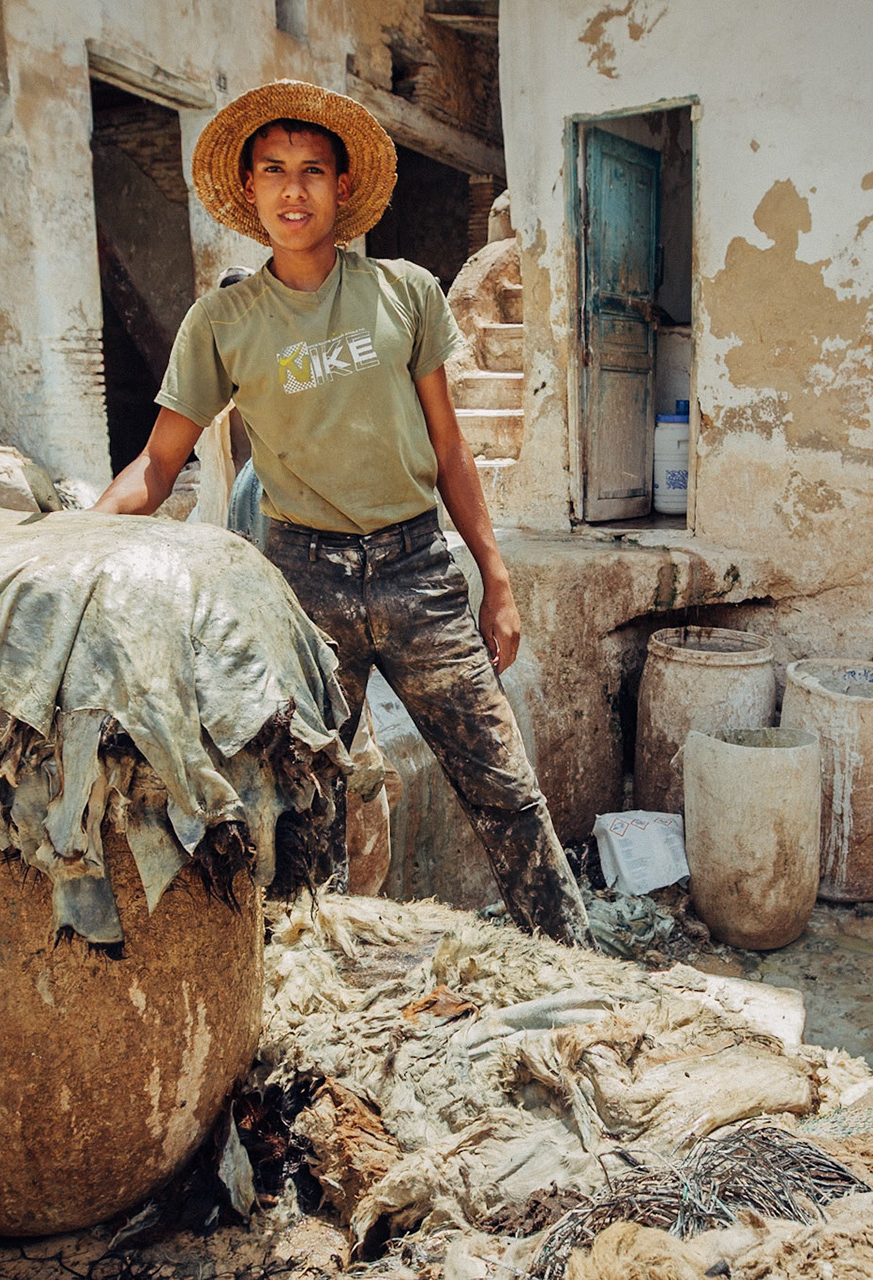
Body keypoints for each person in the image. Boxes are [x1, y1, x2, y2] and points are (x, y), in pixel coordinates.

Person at [91, 80, 591, 947]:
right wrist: (82, 540)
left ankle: (584, 974)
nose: (294, 190)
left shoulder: (403, 294)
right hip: (302, 591)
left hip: (418, 574)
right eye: (275, 170)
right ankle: (307, 1004)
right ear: (250, 190)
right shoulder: (224, 321)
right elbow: (157, 462)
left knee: (506, 791)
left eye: (313, 170)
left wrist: (496, 578)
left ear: (342, 186)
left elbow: (450, 450)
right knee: (303, 819)